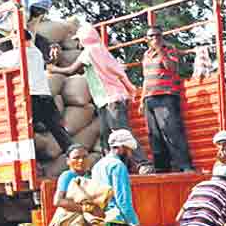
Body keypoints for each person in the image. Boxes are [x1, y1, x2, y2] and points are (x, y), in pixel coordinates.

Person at [0, 3, 75, 156]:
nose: (13, 42)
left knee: (22, 130)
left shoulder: (17, 54)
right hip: (46, 97)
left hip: (31, 98)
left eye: (14, 39)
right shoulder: (36, 52)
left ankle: (25, 160)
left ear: (19, 40)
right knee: (58, 131)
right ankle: (74, 152)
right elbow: (31, 33)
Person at [47, 21, 150, 167]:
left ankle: (143, 163)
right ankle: (114, 164)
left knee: (121, 133)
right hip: (106, 100)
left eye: (79, 40)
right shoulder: (101, 50)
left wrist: (53, 68)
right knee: (107, 135)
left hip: (111, 99)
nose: (79, 44)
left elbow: (72, 70)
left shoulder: (90, 52)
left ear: (85, 38)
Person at [142, 25, 193, 172]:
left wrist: (159, 50)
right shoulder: (146, 55)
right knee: (155, 136)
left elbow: (172, 68)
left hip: (166, 96)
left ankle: (185, 166)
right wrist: (141, 100)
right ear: (147, 39)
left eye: (158, 35)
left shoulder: (169, 49)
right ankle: (161, 168)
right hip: (149, 98)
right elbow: (145, 79)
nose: (155, 38)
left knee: (172, 131)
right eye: (151, 36)